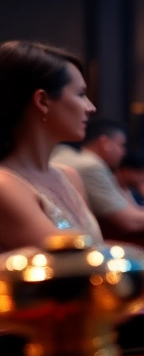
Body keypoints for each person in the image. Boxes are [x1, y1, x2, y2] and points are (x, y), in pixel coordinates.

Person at [0, 40, 102, 250]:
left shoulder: (70, 176)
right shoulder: (4, 185)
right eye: (81, 94)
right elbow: (74, 264)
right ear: (42, 101)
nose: (90, 107)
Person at [52, 118, 144, 239]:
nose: (123, 152)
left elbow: (134, 211)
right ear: (105, 143)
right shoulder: (91, 165)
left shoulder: (72, 157)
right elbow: (131, 221)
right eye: (121, 144)